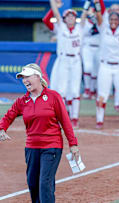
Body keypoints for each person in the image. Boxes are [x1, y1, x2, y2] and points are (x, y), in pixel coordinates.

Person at [0, 63, 79, 203]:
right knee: (33, 184)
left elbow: (65, 122)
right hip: (31, 148)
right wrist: (1, 129)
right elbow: (8, 116)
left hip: (52, 146)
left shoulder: (53, 97)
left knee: (45, 183)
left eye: (27, 76)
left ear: (38, 77)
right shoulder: (23, 101)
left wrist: (73, 144)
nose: (25, 80)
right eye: (23, 78)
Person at [45, 0, 87, 129]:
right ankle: (62, 117)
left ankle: (74, 118)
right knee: (62, 90)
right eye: (68, 16)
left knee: (75, 90)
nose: (70, 18)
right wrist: (53, 2)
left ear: (75, 19)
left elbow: (84, 15)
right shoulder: (61, 27)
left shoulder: (80, 29)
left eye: (73, 16)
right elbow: (56, 14)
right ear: (64, 18)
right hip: (63, 60)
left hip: (75, 61)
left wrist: (87, 5)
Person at [94, 0, 119, 129]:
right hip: (105, 66)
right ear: (108, 19)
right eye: (111, 19)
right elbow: (99, 14)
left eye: (116, 19)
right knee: (102, 94)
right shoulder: (103, 28)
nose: (114, 21)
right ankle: (99, 121)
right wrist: (97, 3)